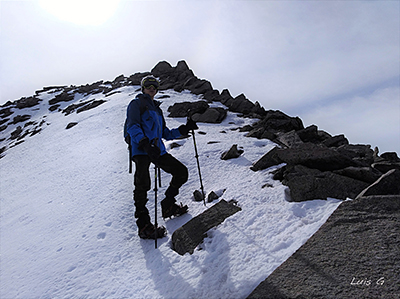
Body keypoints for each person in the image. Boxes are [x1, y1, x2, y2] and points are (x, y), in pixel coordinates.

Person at [124, 75, 198, 239]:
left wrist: (183, 129)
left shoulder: (157, 110)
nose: (152, 88)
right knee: (143, 185)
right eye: (148, 85)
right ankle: (144, 225)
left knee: (181, 172)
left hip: (157, 150)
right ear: (142, 88)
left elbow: (165, 133)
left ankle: (168, 205)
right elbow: (132, 126)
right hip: (142, 150)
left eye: (155, 85)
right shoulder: (136, 104)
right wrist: (144, 143)